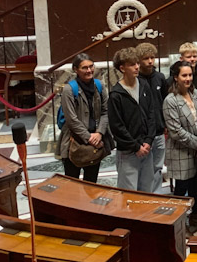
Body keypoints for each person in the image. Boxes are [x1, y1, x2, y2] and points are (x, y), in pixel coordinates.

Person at [162, 60, 197, 232]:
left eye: (190, 75)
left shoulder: (195, 94)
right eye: (184, 75)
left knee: (196, 188)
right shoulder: (170, 100)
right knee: (181, 191)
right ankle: (178, 223)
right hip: (181, 151)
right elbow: (175, 131)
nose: (188, 78)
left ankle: (195, 216)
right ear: (176, 78)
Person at [108, 47, 157, 192]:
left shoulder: (144, 85)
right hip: (129, 152)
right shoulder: (116, 94)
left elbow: (151, 114)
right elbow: (117, 127)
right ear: (122, 68)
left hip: (146, 149)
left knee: (147, 191)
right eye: (132, 64)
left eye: (137, 63)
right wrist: (136, 147)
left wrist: (148, 141)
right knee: (129, 194)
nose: (137, 67)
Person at [58, 53, 110, 183]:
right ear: (76, 69)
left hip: (95, 141)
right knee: (72, 183)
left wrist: (99, 133)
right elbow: (71, 120)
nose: (89, 70)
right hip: (74, 142)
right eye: (84, 68)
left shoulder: (99, 86)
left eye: (91, 66)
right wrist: (89, 137)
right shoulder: (69, 90)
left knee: (91, 183)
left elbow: (106, 111)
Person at [135, 42, 168, 190]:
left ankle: (156, 195)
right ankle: (144, 195)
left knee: (158, 167)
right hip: (143, 134)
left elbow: (165, 102)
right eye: (146, 58)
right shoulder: (135, 80)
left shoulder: (160, 78)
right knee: (143, 168)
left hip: (159, 131)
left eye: (152, 57)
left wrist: (165, 124)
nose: (150, 61)